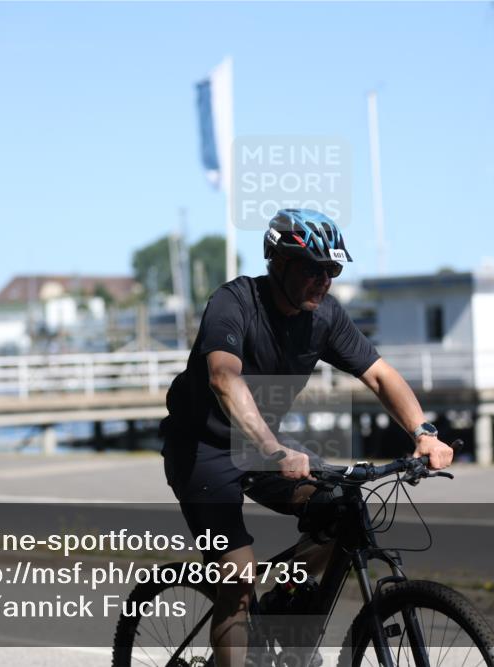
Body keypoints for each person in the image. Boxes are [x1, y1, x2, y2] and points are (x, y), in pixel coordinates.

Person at [160, 208, 456, 667]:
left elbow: (379, 376)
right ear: (277, 261)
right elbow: (223, 378)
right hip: (203, 451)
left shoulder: (325, 318)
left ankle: (284, 610)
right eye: (314, 269)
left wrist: (424, 432)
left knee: (343, 506)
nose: (324, 280)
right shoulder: (234, 302)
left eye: (333, 270)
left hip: (260, 446)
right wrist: (274, 450)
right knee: (236, 580)